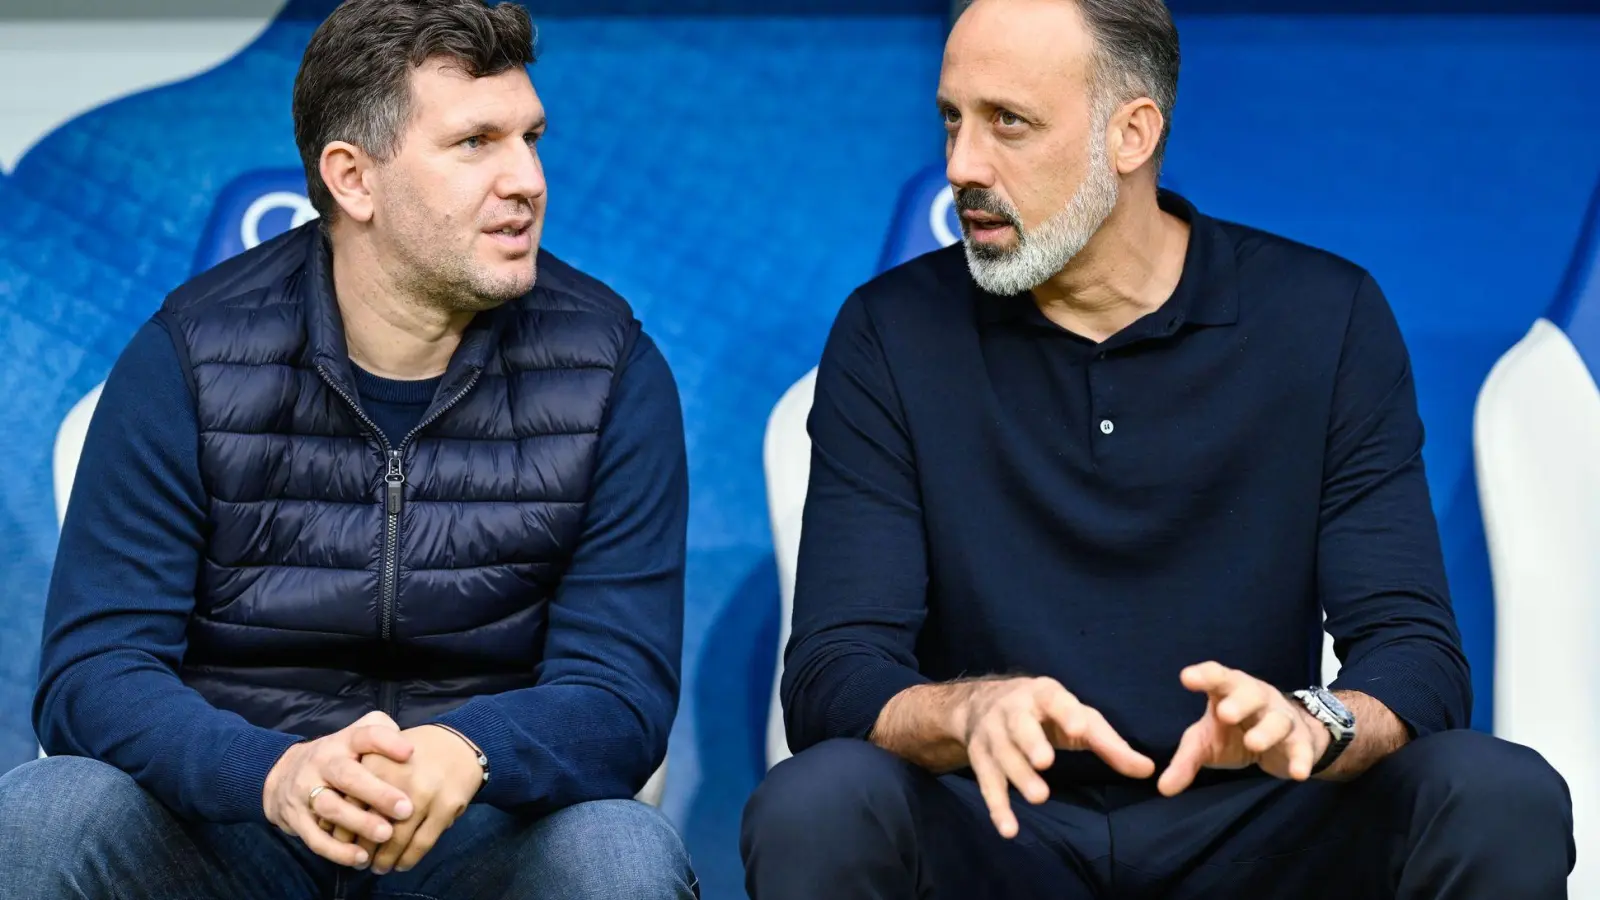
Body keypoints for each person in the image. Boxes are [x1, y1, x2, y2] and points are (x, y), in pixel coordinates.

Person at [741, 0, 1575, 897]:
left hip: (1264, 826)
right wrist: (967, 708)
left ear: (1132, 133)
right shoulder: (889, 331)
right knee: (816, 801)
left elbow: (1414, 655)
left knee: (1499, 791)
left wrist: (1310, 723)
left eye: (1007, 123)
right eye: (952, 118)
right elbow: (833, 673)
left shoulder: (1323, 318)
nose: (960, 167)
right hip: (995, 826)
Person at [0, 1, 697, 898]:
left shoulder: (611, 367)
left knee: (616, 855)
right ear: (353, 180)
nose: (527, 178)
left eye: (531, 137)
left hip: (476, 831)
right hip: (236, 826)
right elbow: (95, 673)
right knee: (44, 815)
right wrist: (270, 774)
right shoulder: (190, 356)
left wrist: (471, 750)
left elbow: (620, 693)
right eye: (475, 143)